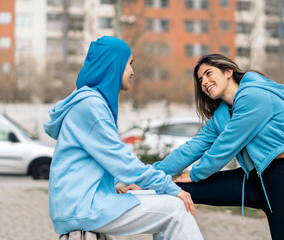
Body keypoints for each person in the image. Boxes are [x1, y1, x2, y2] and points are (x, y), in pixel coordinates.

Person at [122, 54, 284, 240]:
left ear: (228, 72)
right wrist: (147, 180)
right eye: (201, 79)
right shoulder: (223, 116)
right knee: (173, 191)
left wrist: (196, 173)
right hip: (251, 180)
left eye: (209, 73)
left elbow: (227, 145)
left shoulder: (255, 94)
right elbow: (191, 148)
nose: (204, 82)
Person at [44, 36, 203, 240]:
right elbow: (121, 161)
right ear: (114, 64)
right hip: (84, 207)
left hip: (80, 202)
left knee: (162, 201)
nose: (132, 71)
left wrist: (118, 185)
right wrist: (169, 186)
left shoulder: (89, 102)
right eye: (129, 64)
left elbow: (103, 162)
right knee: (176, 208)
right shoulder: (91, 106)